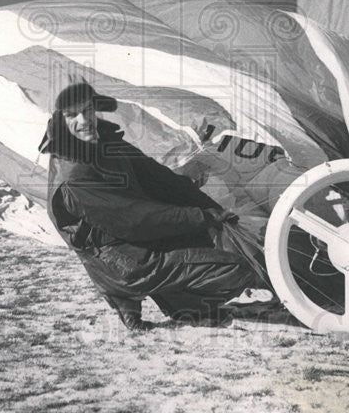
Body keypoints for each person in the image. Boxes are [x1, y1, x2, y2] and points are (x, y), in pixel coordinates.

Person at [40, 82, 258, 332]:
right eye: (71, 115)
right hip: (119, 255)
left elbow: (158, 178)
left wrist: (211, 209)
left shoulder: (106, 142)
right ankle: (130, 292)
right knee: (237, 269)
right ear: (59, 121)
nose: (84, 120)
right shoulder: (74, 176)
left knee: (204, 236)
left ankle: (180, 304)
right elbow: (133, 218)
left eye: (88, 110)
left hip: (133, 239)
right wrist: (201, 216)